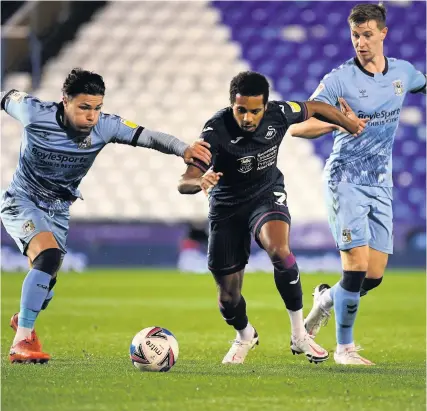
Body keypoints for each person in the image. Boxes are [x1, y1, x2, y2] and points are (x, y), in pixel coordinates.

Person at [1, 68, 212, 363]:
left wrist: (183, 149)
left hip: (60, 208)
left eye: (97, 108)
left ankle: (25, 320)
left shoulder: (106, 126)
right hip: (23, 200)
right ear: (65, 101)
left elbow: (147, 137)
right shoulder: (33, 112)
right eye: (84, 107)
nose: (91, 116)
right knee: (47, 257)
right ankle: (21, 342)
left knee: (46, 285)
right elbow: (4, 97)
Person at [177, 71, 366, 365]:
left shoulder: (279, 113)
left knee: (279, 250)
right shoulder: (215, 131)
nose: (248, 118)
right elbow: (184, 181)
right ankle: (244, 335)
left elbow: (315, 108)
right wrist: (199, 182)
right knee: (228, 299)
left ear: (265, 106)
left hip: (266, 196)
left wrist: (348, 123)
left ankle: (299, 335)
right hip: (226, 209)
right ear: (231, 105)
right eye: (241, 110)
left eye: (255, 110)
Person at [288, 3, 426, 365]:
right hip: (345, 178)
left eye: (367, 35)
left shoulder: (404, 73)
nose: (361, 43)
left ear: (383, 33)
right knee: (355, 267)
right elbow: (299, 126)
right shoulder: (338, 80)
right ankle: (344, 349)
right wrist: (339, 123)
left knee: (374, 276)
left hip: (381, 183)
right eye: (355, 36)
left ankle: (324, 301)